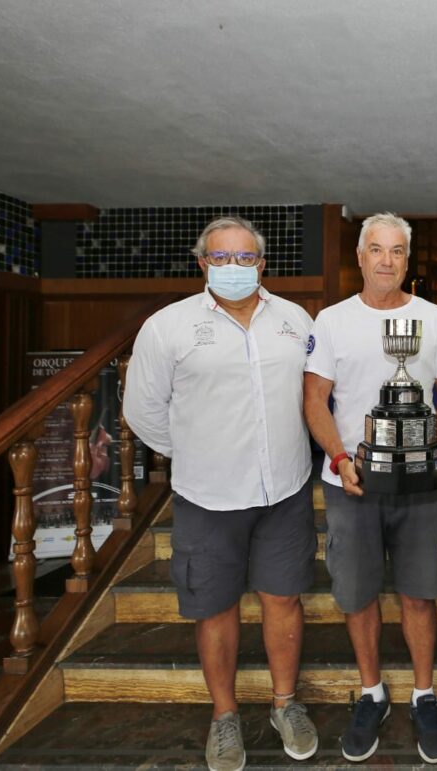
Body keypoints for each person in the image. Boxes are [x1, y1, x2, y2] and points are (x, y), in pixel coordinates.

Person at [123, 216, 318, 771]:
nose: (233, 268)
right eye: (220, 258)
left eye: (244, 258)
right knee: (215, 607)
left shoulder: (294, 320)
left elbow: (313, 394)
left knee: (283, 598)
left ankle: (285, 703)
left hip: (284, 487)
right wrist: (197, 451)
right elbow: (143, 412)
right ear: (202, 263)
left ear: (262, 263)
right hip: (207, 495)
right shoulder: (168, 327)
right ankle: (225, 716)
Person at [303, 212, 437, 764]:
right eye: (377, 249)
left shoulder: (433, 318)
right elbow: (313, 399)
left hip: (417, 484)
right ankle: (372, 692)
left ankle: (423, 694)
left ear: (407, 258)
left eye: (397, 251)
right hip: (351, 483)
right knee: (358, 592)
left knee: (420, 591)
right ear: (361, 255)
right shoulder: (331, 321)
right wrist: (340, 458)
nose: (387, 260)